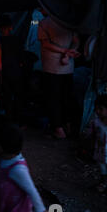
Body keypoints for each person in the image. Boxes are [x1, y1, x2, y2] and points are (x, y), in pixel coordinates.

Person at [0, 122, 50, 212]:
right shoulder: (10, 158)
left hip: (16, 209)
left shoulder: (17, 169)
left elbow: (31, 190)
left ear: (0, 148)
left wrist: (42, 211)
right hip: (9, 204)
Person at [38, 10, 80, 139]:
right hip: (68, 66)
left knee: (54, 98)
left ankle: (58, 129)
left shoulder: (44, 23)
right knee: (66, 96)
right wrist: (68, 53)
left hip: (52, 67)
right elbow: (76, 41)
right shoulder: (68, 22)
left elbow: (45, 43)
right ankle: (68, 126)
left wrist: (65, 52)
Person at [0, 14, 23, 125]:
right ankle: (17, 119)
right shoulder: (16, 39)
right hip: (15, 69)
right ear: (10, 27)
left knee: (7, 95)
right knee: (17, 95)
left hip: (3, 70)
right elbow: (20, 55)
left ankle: (8, 118)